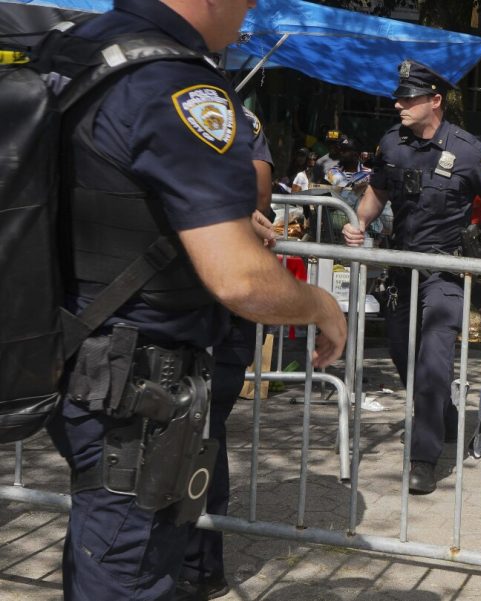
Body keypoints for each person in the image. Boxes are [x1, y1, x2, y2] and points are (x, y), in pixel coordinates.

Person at [44, 2, 347, 599]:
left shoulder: (76, 47)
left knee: (98, 550)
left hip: (75, 352)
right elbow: (239, 281)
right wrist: (318, 304)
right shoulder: (175, 84)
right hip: (135, 387)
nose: (252, 5)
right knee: (127, 569)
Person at [341, 59, 481, 495]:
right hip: (401, 265)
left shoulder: (469, 152)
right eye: (399, 96)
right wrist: (359, 222)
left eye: (408, 98)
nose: (398, 104)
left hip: (447, 269)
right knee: (401, 354)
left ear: (435, 101)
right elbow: (379, 188)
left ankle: (423, 459)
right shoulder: (393, 142)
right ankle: (443, 414)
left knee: (432, 361)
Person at [177, 105, 274, 601]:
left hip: (219, 308)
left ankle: (200, 565)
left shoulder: (238, 118)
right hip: (178, 307)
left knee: (202, 431)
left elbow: (258, 196)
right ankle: (181, 562)